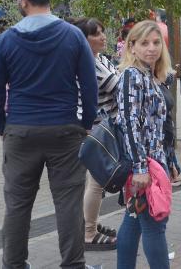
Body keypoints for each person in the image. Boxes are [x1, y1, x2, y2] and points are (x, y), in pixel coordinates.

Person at [0, 0, 98, 269]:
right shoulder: (73, 36)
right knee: (68, 202)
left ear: (23, 0)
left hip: (21, 131)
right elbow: (89, 86)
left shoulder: (7, 39)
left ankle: (14, 264)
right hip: (64, 130)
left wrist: (3, 126)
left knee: (18, 205)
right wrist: (86, 123)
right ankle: (73, 264)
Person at [114, 20, 173, 268]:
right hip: (144, 164)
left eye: (156, 42)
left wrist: (170, 160)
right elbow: (129, 122)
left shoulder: (149, 75)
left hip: (154, 161)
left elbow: (157, 126)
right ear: (132, 47)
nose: (152, 48)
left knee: (134, 219)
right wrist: (140, 167)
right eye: (144, 43)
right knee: (154, 224)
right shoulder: (132, 75)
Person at [71, 18, 119, 251]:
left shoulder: (100, 59)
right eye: (96, 34)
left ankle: (90, 224)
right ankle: (88, 232)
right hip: (97, 129)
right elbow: (119, 87)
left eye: (102, 31)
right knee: (98, 182)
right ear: (83, 39)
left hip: (101, 127)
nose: (103, 36)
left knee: (96, 181)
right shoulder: (89, 63)